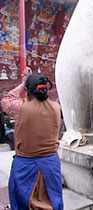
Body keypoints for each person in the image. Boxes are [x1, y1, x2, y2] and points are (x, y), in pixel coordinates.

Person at [1, 68, 63, 210]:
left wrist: (23, 83)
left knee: (23, 202)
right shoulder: (56, 107)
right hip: (50, 164)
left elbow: (6, 100)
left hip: (25, 166)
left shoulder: (21, 108)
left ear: (28, 91)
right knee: (52, 201)